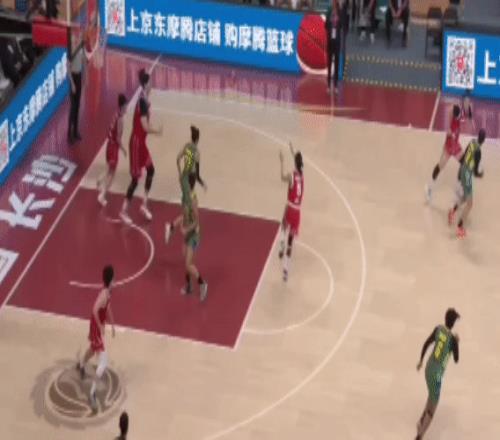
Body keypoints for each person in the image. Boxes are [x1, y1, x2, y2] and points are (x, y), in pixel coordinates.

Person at [120, 69, 162, 225]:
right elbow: (144, 126)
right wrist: (156, 131)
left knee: (151, 170)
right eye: (150, 82)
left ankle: (144, 204)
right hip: (136, 144)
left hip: (141, 143)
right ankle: (123, 211)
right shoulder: (142, 102)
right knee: (135, 180)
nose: (152, 84)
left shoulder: (144, 99)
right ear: (146, 84)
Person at [415, 308, 460, 440]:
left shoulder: (438, 329)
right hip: (437, 376)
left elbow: (426, 343)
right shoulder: (452, 340)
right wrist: (456, 343)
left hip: (428, 368)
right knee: (433, 406)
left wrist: (421, 360)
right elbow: (456, 359)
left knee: (431, 395)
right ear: (454, 323)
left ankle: (421, 420)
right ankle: (419, 435)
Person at [77, 265, 116, 411]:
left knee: (93, 350)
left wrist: (113, 323)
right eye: (114, 278)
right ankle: (92, 394)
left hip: (97, 325)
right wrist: (100, 326)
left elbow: (107, 307)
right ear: (110, 280)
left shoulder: (108, 292)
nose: (115, 280)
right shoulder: (104, 295)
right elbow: (94, 309)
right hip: (96, 326)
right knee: (103, 362)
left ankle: (81, 364)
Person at [165, 173, 208, 301]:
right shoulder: (185, 195)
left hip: (193, 235)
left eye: (184, 182)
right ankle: (189, 286)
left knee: (188, 264)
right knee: (186, 259)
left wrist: (185, 229)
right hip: (188, 233)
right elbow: (184, 215)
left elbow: (196, 221)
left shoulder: (193, 200)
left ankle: (202, 283)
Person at [425, 104, 470, 203]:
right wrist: (449, 132)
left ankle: (458, 187)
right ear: (454, 116)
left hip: (456, 146)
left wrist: (466, 109)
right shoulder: (451, 122)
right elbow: (449, 130)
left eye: (459, 116)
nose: (459, 118)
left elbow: (455, 109)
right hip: (448, 148)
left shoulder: (458, 114)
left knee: (464, 164)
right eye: (457, 117)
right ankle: (429, 187)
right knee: (440, 166)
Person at [448, 128, 486, 238]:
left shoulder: (472, 142)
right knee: (470, 204)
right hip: (467, 175)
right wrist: (480, 175)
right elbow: (475, 172)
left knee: (465, 197)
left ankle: (452, 211)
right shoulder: (478, 151)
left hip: (463, 169)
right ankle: (460, 227)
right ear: (484, 140)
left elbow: (464, 156)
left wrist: (461, 171)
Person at [279, 142, 304, 282]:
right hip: (298, 213)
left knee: (283, 225)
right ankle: (285, 270)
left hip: (290, 209)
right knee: (291, 242)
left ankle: (281, 244)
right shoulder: (302, 175)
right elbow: (298, 160)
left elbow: (282, 177)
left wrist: (282, 161)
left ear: (294, 162)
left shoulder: (292, 176)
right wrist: (292, 150)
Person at [97, 93, 128, 207]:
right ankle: (102, 195)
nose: (127, 107)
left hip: (109, 145)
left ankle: (100, 181)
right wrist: (124, 149)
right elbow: (118, 138)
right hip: (113, 147)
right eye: (126, 105)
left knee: (108, 169)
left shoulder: (115, 114)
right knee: (112, 173)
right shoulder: (120, 120)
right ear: (123, 106)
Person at [67, 40, 85, 145]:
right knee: (73, 107)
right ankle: (69, 133)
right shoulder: (71, 51)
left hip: (79, 76)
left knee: (78, 106)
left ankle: (75, 131)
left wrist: (84, 76)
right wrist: (72, 83)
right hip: (73, 78)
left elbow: (83, 61)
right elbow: (68, 68)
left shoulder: (81, 47)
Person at [325, 0, 342, 94]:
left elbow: (342, 25)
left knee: (336, 64)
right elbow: (325, 25)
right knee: (329, 64)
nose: (334, 2)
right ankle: (328, 85)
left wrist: (337, 21)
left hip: (337, 42)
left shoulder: (340, 11)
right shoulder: (329, 11)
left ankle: (335, 86)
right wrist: (331, 21)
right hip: (330, 41)